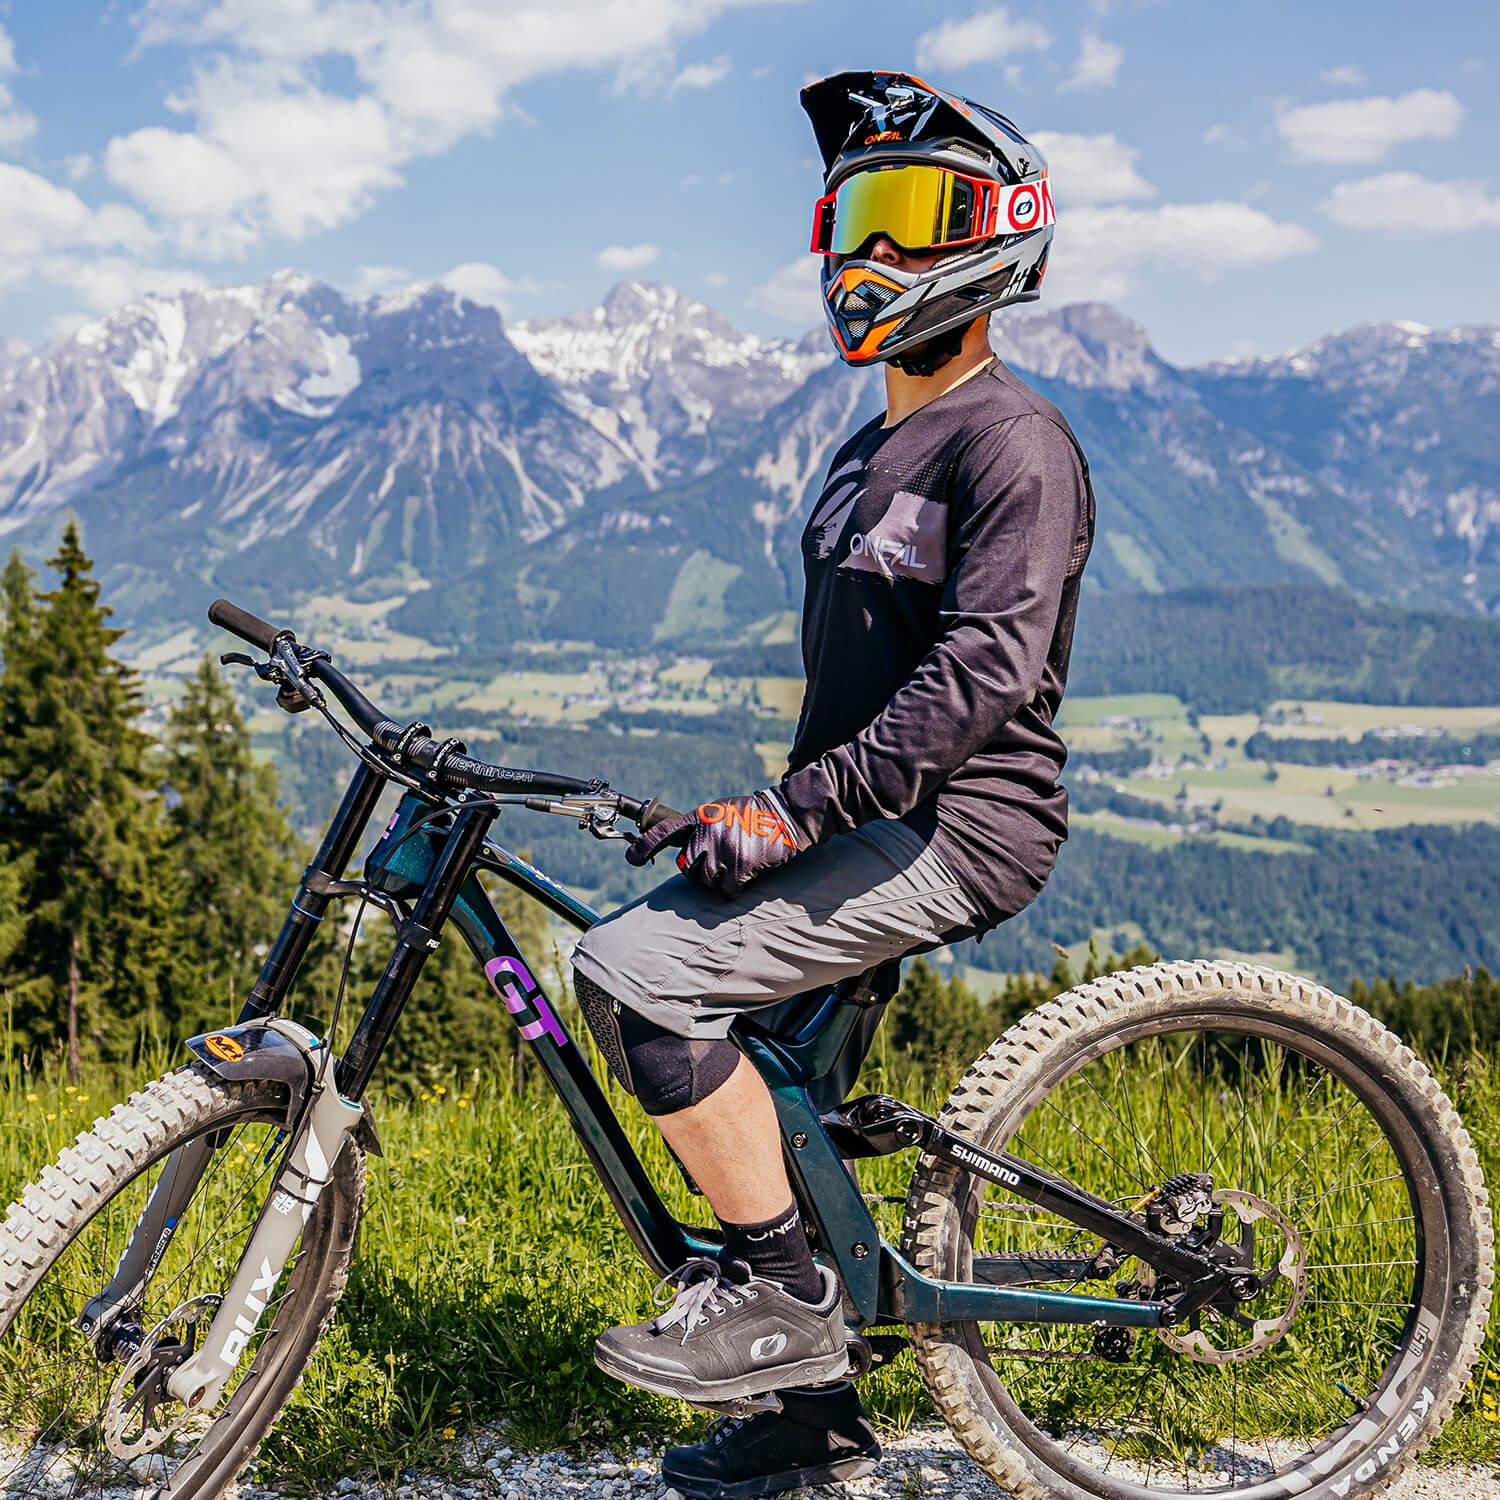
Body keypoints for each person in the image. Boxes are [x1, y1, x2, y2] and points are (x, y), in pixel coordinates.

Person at [572, 70, 1094, 1500]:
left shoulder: (1012, 441)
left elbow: (987, 669)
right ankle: (812, 1425)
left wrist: (798, 814)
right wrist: (754, 817)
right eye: (851, 215)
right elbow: (860, 678)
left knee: (637, 976)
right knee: (771, 1074)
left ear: (997, 235)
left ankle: (781, 1299)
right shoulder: (868, 448)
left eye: (912, 213)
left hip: (961, 824)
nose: (868, 252)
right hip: (870, 808)